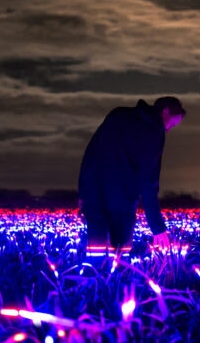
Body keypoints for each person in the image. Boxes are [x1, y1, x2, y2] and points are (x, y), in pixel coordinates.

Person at [78, 96, 185, 262]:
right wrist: (157, 226)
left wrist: (83, 191)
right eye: (172, 124)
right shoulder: (153, 132)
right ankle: (118, 283)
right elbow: (148, 180)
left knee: (96, 248)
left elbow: (90, 153)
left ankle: (93, 283)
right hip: (122, 198)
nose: (169, 129)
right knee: (121, 251)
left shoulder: (118, 114)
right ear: (165, 112)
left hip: (94, 192)